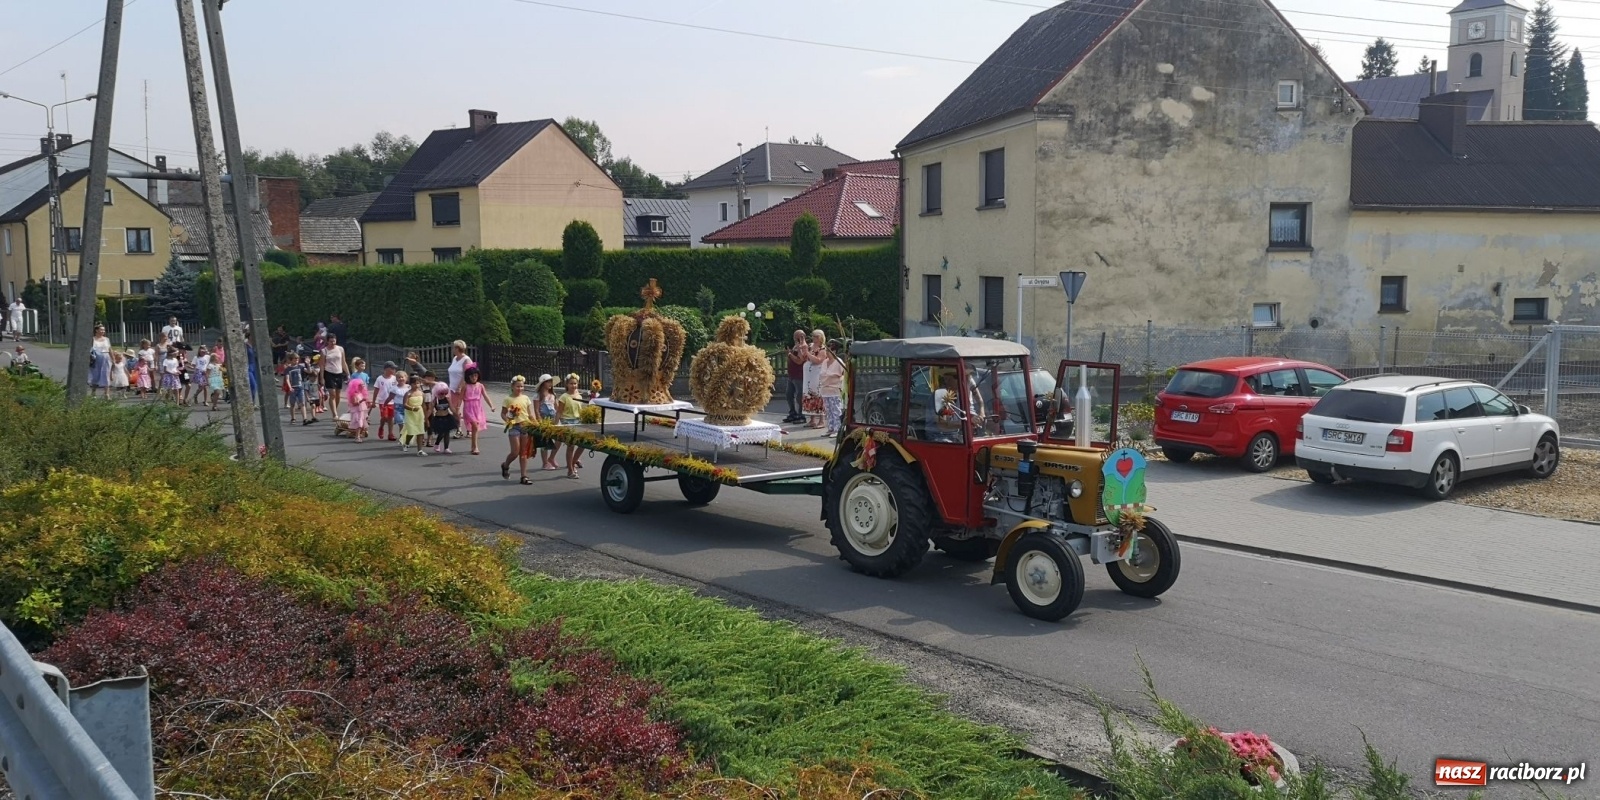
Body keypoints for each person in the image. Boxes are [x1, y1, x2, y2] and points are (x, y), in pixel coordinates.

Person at [500, 375, 534, 484]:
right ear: (512, 387)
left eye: (522, 386)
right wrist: (508, 421)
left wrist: (536, 423)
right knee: (515, 452)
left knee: (523, 453)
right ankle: (505, 465)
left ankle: (524, 476)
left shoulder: (526, 398)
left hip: (525, 426)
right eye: (517, 386)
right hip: (514, 427)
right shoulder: (508, 399)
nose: (520, 388)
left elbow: (529, 414)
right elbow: (503, 413)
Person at [458, 366, 493, 455]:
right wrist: (458, 409)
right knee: (475, 425)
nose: (474, 378)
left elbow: (485, 396)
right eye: (472, 376)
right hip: (468, 407)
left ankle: (473, 446)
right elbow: (460, 398)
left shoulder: (480, 386)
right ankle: (475, 446)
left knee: (475, 427)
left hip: (478, 407)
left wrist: (491, 406)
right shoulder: (465, 386)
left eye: (475, 376)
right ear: (468, 377)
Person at [558, 374, 586, 479]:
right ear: (567, 384)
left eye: (575, 383)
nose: (573, 385)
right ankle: (570, 470)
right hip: (567, 422)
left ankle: (573, 462)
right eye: (571, 383)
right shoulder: (564, 397)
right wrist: (555, 425)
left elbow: (580, 411)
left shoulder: (579, 396)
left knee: (583, 443)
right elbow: (559, 412)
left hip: (578, 422)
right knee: (571, 446)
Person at [819, 339, 846, 437]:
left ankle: (837, 429)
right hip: (825, 390)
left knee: (835, 410)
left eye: (829, 351)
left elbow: (843, 374)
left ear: (834, 351)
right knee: (828, 410)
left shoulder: (839, 362)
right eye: (826, 350)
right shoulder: (825, 362)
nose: (827, 353)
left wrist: (839, 381)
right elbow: (822, 375)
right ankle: (830, 428)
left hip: (834, 389)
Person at [426, 371, 457, 454]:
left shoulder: (447, 399)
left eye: (445, 393)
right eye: (441, 393)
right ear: (437, 392)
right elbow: (430, 410)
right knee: (442, 432)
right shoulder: (435, 400)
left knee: (447, 432)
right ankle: (437, 443)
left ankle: (446, 448)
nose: (443, 395)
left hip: (447, 417)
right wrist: (425, 418)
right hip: (439, 418)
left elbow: (452, 407)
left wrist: (456, 414)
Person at [534, 374, 558, 470]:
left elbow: (556, 408)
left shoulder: (553, 395)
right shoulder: (538, 396)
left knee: (558, 439)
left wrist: (558, 418)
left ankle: (551, 458)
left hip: (553, 420)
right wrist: (539, 421)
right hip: (544, 421)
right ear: (543, 383)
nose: (550, 384)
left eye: (551, 382)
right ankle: (545, 463)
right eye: (548, 382)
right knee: (545, 441)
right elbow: (536, 410)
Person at [803, 329, 827, 429]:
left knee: (818, 395)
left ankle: (821, 420)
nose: (814, 338)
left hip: (817, 374)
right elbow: (804, 357)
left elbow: (818, 360)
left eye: (816, 336)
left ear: (821, 338)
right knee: (809, 395)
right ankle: (812, 420)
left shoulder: (823, 349)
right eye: (813, 336)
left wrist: (808, 353)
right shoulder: (810, 346)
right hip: (809, 375)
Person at [320, 334, 347, 419]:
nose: (332, 343)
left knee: (338, 394)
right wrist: (322, 377)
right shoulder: (324, 351)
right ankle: (335, 414)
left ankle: (335, 409)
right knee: (332, 394)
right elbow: (322, 365)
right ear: (327, 341)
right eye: (331, 341)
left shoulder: (340, 349)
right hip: (329, 373)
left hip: (339, 372)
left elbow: (343, 362)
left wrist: (348, 373)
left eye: (334, 341)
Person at [373, 362, 400, 442]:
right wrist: (373, 401)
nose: (394, 370)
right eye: (392, 368)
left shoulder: (394, 378)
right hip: (382, 401)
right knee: (384, 417)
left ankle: (390, 434)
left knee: (391, 418)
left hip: (392, 401)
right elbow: (376, 390)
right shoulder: (380, 378)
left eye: (394, 369)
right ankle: (381, 427)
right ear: (386, 369)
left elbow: (398, 388)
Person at [401, 376, 428, 454]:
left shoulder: (422, 393)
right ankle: (406, 443)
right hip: (410, 414)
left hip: (419, 414)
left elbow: (423, 405)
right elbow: (404, 405)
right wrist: (412, 408)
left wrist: (426, 417)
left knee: (420, 431)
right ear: (411, 384)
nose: (416, 385)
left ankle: (420, 450)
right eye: (414, 383)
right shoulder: (408, 393)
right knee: (411, 431)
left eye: (418, 383)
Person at [784, 329, 806, 424]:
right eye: (795, 336)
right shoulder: (795, 346)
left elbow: (799, 361)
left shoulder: (803, 347)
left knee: (799, 396)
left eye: (798, 336)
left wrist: (789, 354)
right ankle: (792, 413)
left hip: (799, 375)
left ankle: (801, 415)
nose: (796, 338)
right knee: (789, 394)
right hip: (791, 375)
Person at [284, 353, 311, 424]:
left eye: (297, 359)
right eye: (295, 359)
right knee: (292, 404)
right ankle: (293, 418)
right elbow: (287, 379)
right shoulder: (288, 369)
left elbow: (309, 371)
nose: (296, 360)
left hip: (300, 387)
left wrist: (308, 364)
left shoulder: (300, 367)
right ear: (291, 360)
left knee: (302, 403)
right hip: (293, 388)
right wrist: (290, 387)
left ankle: (305, 419)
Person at [446, 340, 471, 415]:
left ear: (457, 348)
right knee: (454, 408)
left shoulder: (466, 360)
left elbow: (466, 375)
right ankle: (457, 422)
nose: (452, 349)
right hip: (453, 388)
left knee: (460, 409)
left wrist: (460, 387)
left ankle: (461, 421)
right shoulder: (455, 358)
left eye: (453, 348)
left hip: (462, 388)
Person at [89, 325, 113, 400]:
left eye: (104, 330)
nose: (103, 331)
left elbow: (110, 349)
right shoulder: (93, 339)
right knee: (95, 376)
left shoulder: (106, 339)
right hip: (96, 359)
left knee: (106, 375)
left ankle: (107, 394)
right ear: (96, 330)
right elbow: (89, 349)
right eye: (101, 330)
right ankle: (93, 393)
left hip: (106, 358)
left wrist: (113, 359)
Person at [346, 375, 371, 443]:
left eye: (363, 385)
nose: (363, 386)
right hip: (356, 411)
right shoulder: (354, 395)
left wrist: (367, 403)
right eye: (361, 385)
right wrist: (361, 400)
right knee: (358, 424)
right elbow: (354, 403)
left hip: (361, 411)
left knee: (362, 423)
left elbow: (363, 403)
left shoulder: (360, 394)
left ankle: (358, 434)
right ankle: (357, 436)